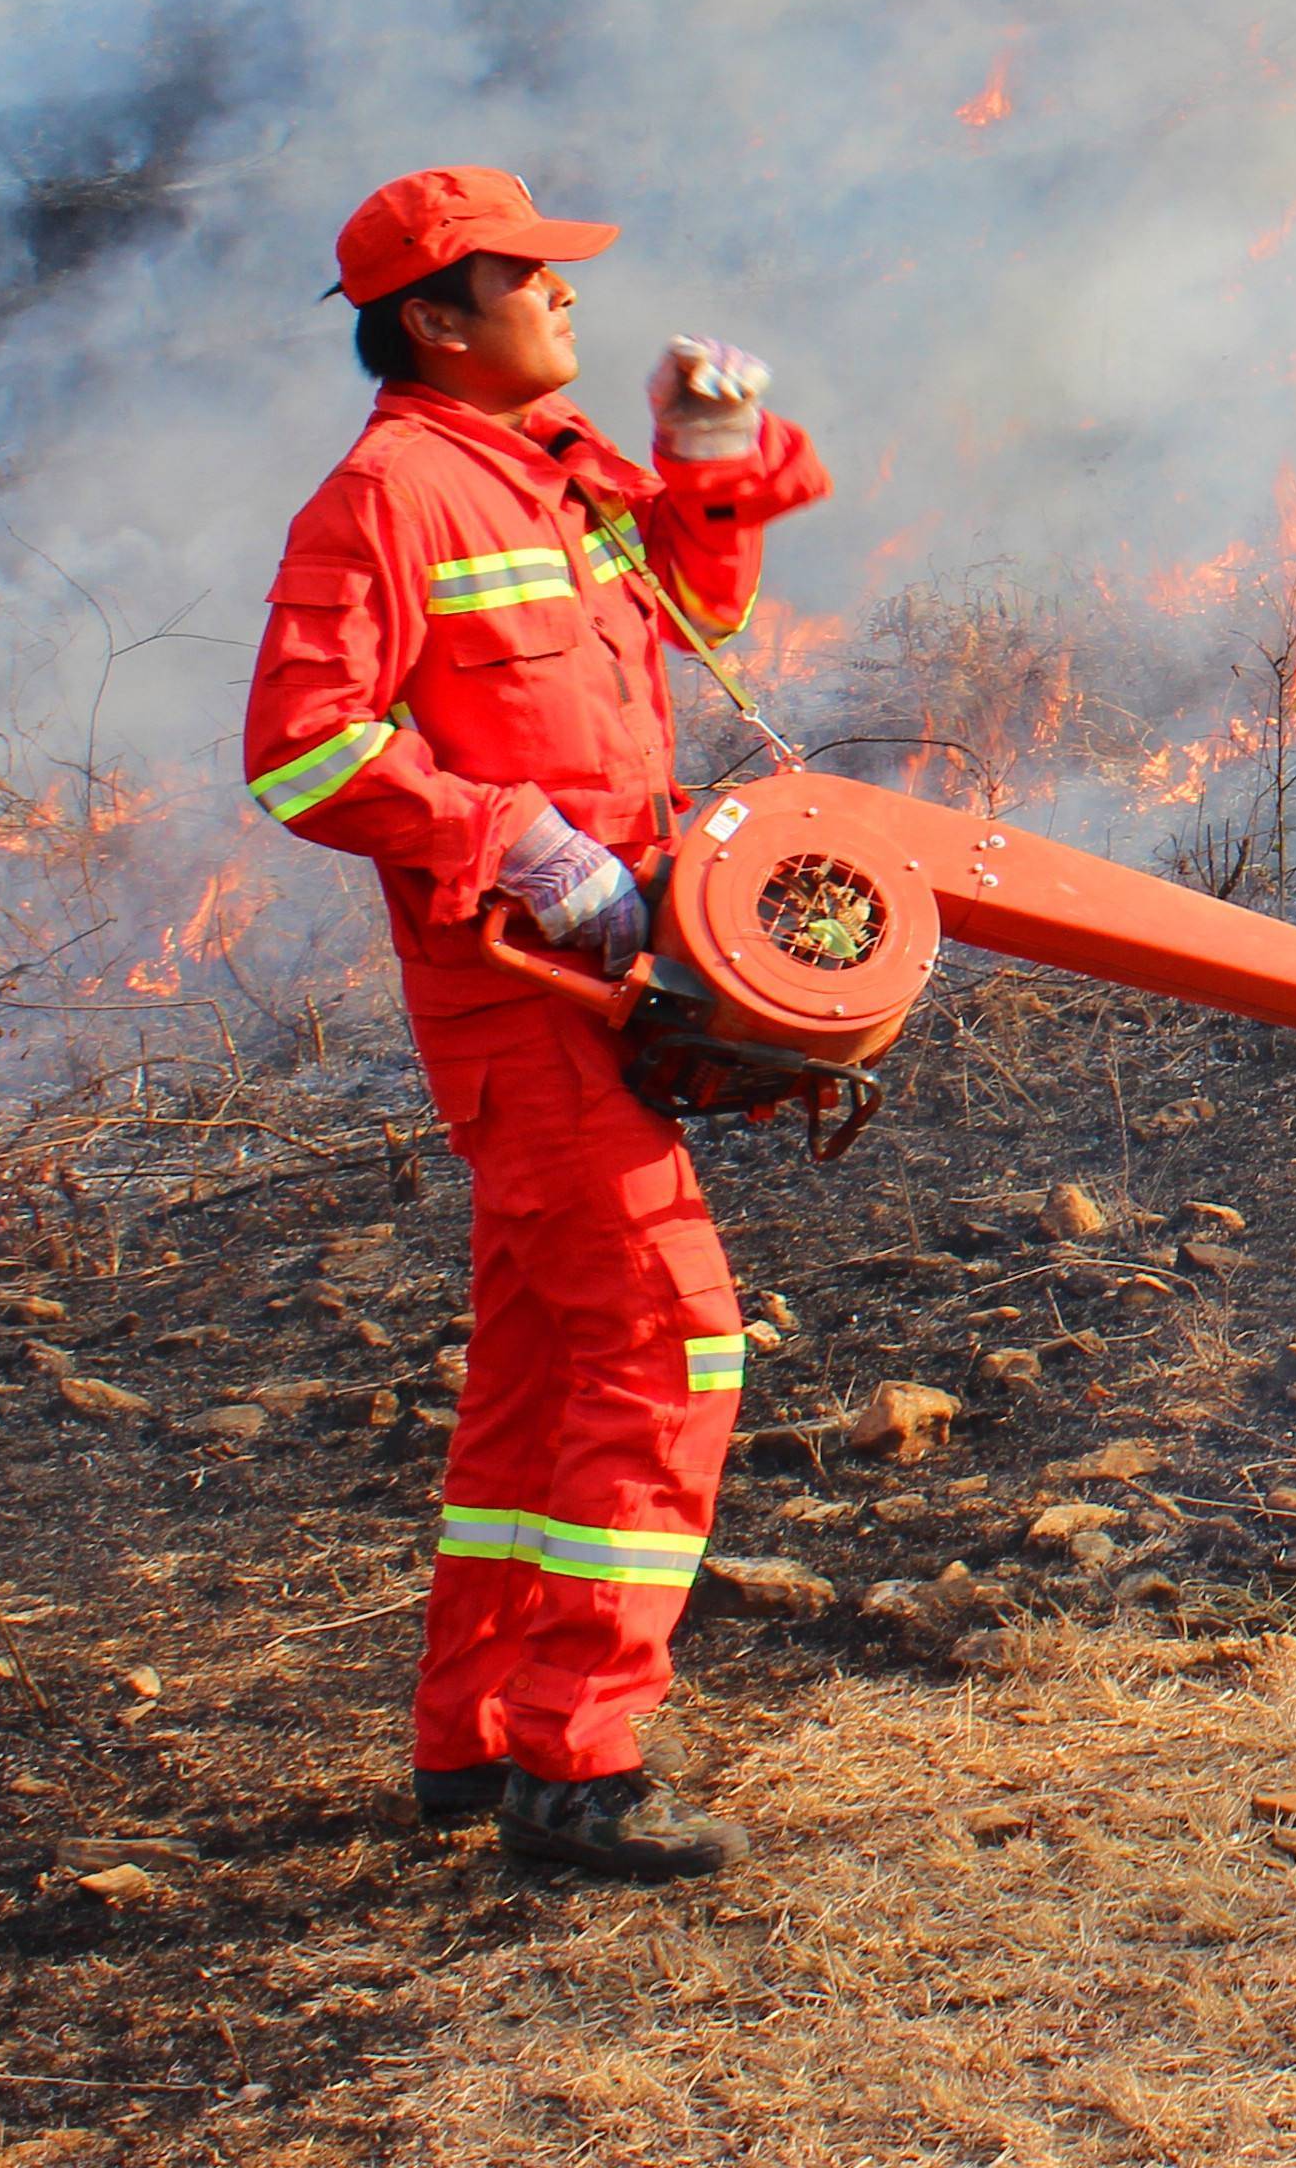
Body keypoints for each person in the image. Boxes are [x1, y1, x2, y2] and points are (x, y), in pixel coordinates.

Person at [237, 166, 829, 1880]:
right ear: (437, 317)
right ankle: (581, 1766)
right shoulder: (385, 499)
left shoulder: (548, 477)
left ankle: (474, 1739)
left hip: (609, 983)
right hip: (524, 1000)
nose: (567, 297)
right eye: (532, 279)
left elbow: (694, 627)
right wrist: (515, 842)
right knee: (666, 1344)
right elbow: (302, 750)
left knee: (547, 1362)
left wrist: (703, 453)